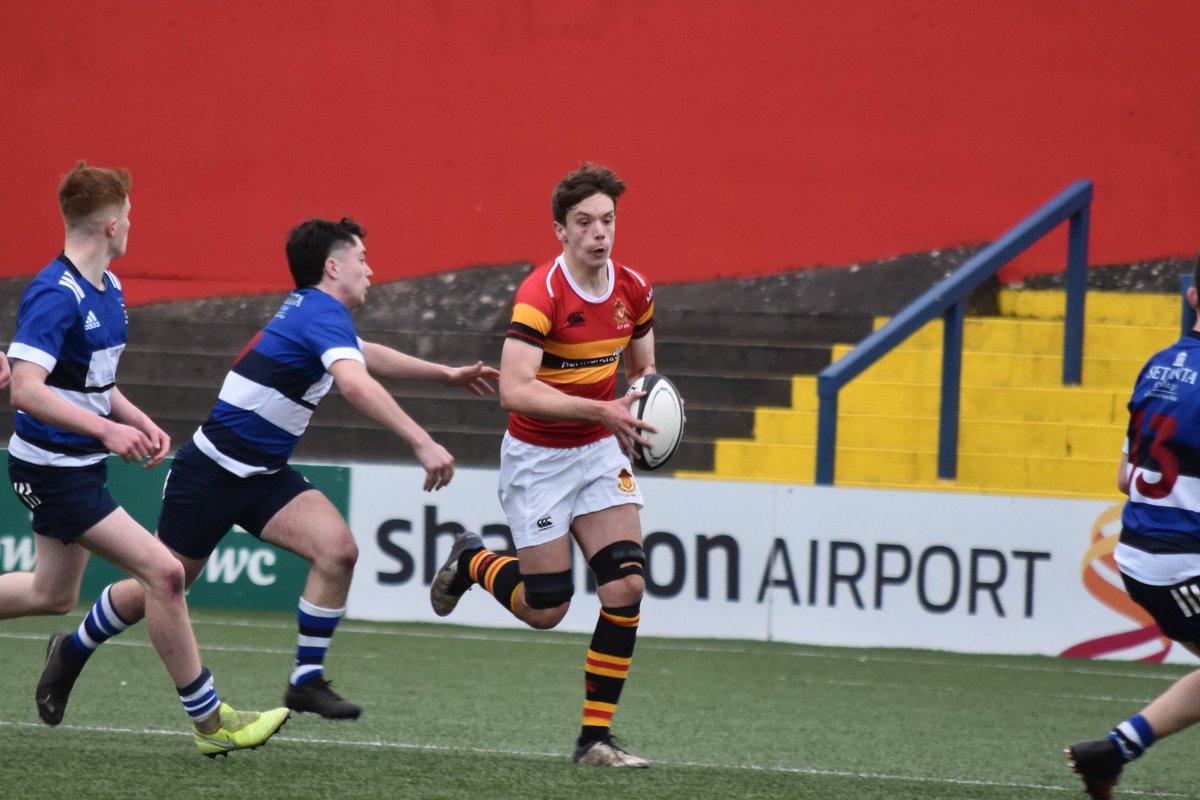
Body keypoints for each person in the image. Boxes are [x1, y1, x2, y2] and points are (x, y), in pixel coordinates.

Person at [38, 216, 498, 723]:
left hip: (261, 475)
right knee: (163, 584)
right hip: (209, 474)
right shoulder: (321, 311)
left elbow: (363, 356)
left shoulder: (317, 311)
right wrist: (421, 441)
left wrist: (444, 374)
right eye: (362, 259)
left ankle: (305, 680)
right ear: (332, 266)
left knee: (338, 551)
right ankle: (72, 649)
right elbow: (356, 384)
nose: (371, 270)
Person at [2, 161, 289, 757]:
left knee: (51, 595)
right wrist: (106, 433)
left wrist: (135, 420)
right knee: (164, 573)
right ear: (109, 224)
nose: (133, 224)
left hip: (76, 463)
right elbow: (27, 389)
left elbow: (95, 383)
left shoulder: (109, 288)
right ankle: (213, 723)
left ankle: (69, 647)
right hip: (52, 470)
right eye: (128, 214)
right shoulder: (55, 294)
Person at [430, 163, 657, 767]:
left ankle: (595, 740)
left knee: (626, 584)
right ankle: (473, 560)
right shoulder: (542, 294)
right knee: (546, 608)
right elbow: (514, 390)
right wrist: (602, 410)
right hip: (539, 461)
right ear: (560, 230)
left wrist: (646, 411)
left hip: (600, 450)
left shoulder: (633, 288)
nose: (598, 234)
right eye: (584, 223)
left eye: (607, 221)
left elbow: (641, 370)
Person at [1067, 254, 1200, 798]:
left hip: (1143, 551)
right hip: (1182, 560)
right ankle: (1115, 750)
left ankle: (1114, 751)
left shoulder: (1159, 364)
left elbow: (1125, 477)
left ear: (1193, 297)